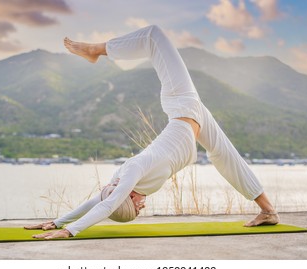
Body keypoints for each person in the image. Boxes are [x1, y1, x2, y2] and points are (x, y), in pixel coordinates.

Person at [24, 25, 279, 239]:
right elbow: (107, 198)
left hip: (183, 106)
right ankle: (268, 211)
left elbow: (105, 201)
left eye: (136, 208)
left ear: (128, 197)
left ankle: (95, 50)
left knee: (153, 36)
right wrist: (62, 223)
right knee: (225, 156)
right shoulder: (133, 179)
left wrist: (65, 227)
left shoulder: (131, 172)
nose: (142, 207)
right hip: (189, 118)